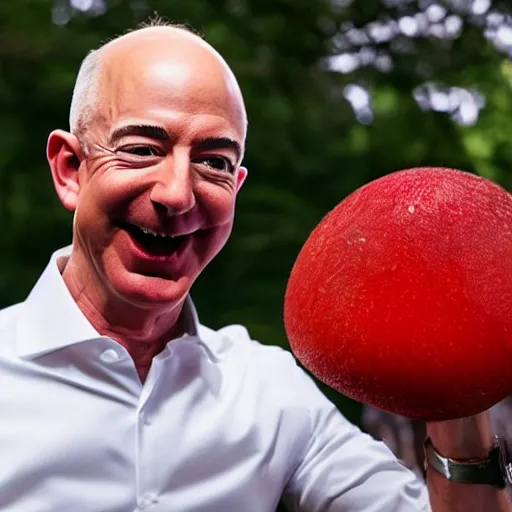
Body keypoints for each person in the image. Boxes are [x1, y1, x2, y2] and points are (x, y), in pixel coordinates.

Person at [0, 19, 509, 512]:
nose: (178, 194)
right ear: (71, 170)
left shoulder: (270, 391)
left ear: (236, 187)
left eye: (214, 162)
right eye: (141, 150)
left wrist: (459, 400)